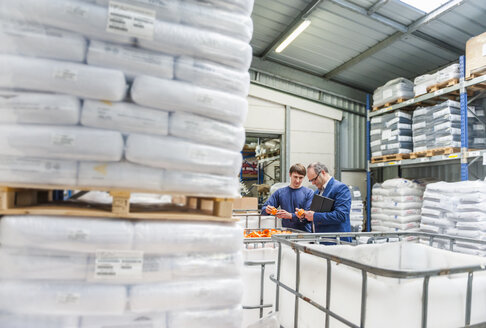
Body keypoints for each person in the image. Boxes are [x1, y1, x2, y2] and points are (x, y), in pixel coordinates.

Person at [297, 162, 351, 241]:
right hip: (320, 241)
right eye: (310, 180)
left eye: (314, 179)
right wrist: (305, 216)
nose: (313, 183)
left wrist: (314, 216)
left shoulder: (340, 188)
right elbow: (316, 215)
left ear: (322, 172)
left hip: (336, 243)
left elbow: (341, 215)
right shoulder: (317, 192)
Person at [261, 163, 314, 232]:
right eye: (295, 177)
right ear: (290, 174)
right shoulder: (280, 192)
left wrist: (290, 216)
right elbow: (263, 209)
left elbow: (309, 216)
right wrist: (267, 210)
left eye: (300, 178)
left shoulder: (309, 193)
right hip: (287, 233)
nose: (297, 180)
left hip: (304, 234)